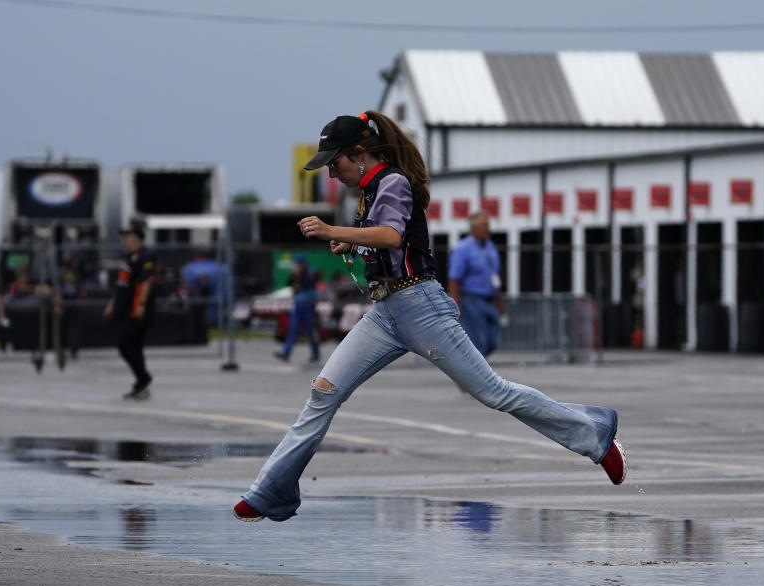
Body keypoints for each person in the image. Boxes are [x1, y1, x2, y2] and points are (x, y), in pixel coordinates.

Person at [233, 111, 626, 523]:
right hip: (385, 313)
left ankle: (595, 435)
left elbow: (390, 235)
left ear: (360, 153)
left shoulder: (393, 182)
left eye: (336, 163)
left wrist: (335, 232)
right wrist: (349, 247)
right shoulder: (367, 190)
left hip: (422, 307)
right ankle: (269, 493)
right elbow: (379, 246)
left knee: (494, 392)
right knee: (322, 392)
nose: (332, 173)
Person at [104, 221, 156, 400]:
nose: (124, 242)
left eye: (126, 238)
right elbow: (122, 285)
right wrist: (112, 303)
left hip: (136, 310)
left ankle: (143, 377)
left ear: (136, 240)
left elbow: (146, 281)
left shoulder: (146, 257)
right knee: (134, 346)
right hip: (123, 309)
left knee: (124, 344)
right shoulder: (129, 258)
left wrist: (141, 304)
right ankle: (141, 383)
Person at [447, 211, 505, 357]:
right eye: (485, 225)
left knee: (492, 341)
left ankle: (470, 372)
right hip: (472, 301)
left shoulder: (490, 246)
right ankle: (476, 378)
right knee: (478, 343)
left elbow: (495, 276)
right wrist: (455, 303)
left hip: (490, 301)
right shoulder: (463, 249)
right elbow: (454, 278)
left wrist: (499, 300)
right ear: (473, 228)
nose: (489, 229)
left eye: (489, 225)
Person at [274, 254, 321, 363]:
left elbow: (309, 284)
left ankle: (315, 353)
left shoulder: (310, 273)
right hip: (298, 304)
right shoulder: (295, 274)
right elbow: (290, 284)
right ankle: (286, 353)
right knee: (292, 328)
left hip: (308, 305)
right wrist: (293, 276)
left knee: (310, 330)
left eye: (300, 264)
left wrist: (300, 275)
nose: (298, 266)